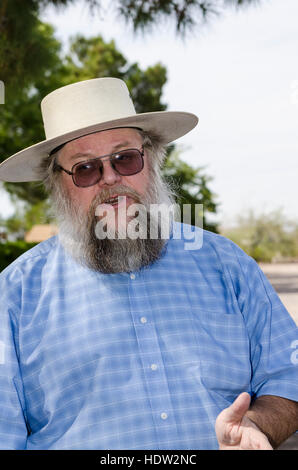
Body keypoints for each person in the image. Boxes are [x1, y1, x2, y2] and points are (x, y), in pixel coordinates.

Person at [0, 78, 297, 450]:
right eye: (86, 168)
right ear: (58, 184)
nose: (110, 178)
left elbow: (288, 375)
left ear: (152, 159)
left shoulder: (228, 264)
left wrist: (255, 424)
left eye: (125, 158)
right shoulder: (14, 295)